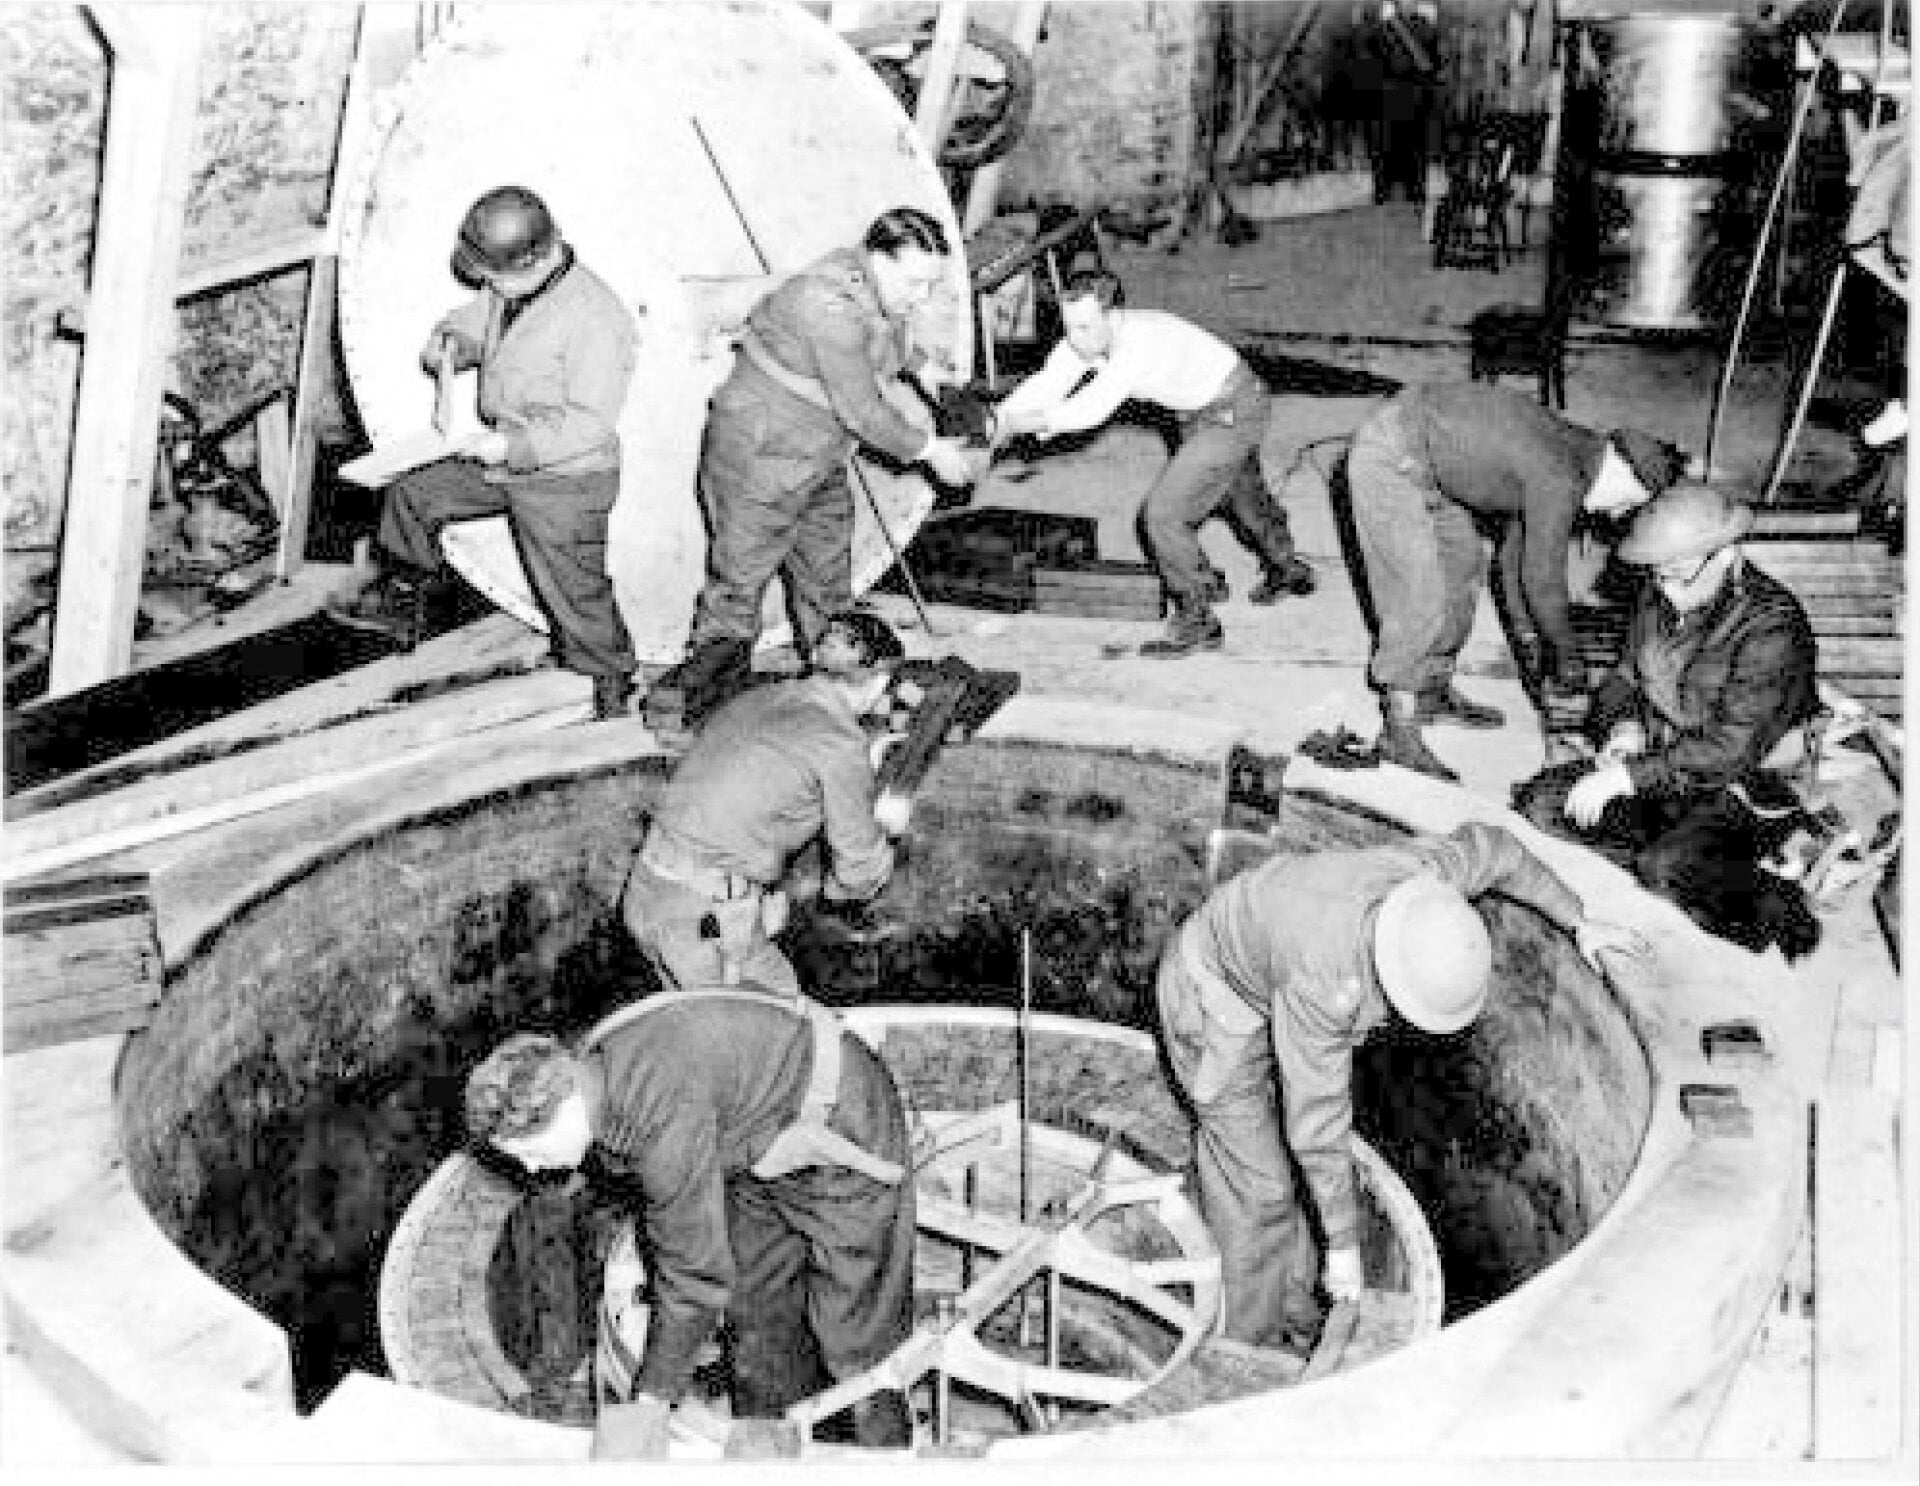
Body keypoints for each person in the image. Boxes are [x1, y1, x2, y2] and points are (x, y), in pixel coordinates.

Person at [1155, 819, 1644, 1356]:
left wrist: (1579, 921)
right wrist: (1342, 1247)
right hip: (1210, 1008)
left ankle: (1287, 1300)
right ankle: (1241, 1349)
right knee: (1260, 1191)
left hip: (1262, 969)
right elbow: (1316, 1127)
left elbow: (1497, 849)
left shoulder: (1427, 884)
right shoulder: (1327, 979)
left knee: (1275, 1171)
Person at [463, 990, 917, 1457]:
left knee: (856, 1330)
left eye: (531, 1153)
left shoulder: (660, 1125)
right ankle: (772, 1444)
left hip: (842, 1117)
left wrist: (650, 1401)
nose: (535, 1170)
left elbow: (695, 1280)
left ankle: (885, 1454)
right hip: (761, 1135)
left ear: (562, 1108)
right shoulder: (590, 1072)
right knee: (755, 1298)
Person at [329, 186, 640, 720]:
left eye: (495, 276)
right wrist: (450, 343)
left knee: (571, 589)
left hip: (564, 479)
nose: (489, 286)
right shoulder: (514, 286)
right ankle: (406, 598)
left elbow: (589, 425)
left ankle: (611, 678)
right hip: (501, 458)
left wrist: (511, 445)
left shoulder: (598, 319)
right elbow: (478, 319)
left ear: (542, 256)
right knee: (414, 495)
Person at [669, 207, 979, 692]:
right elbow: (863, 411)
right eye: (915, 283)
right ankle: (708, 695)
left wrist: (922, 367)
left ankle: (835, 686)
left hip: (818, 454)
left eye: (929, 286)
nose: (920, 298)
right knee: (739, 585)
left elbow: (881, 338)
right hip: (762, 456)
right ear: (881, 260)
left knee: (828, 579)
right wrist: (932, 451)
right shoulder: (826, 303)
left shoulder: (872, 289)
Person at [1512, 484, 1824, 959]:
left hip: (1738, 789)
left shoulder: (1773, 630)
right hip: (1662, 772)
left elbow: (1731, 749)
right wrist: (1623, 730)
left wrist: (1627, 777)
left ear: (1726, 555)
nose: (1666, 590)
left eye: (1678, 575)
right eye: (1658, 576)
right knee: (1541, 803)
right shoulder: (1658, 596)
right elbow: (1622, 679)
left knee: (1666, 868)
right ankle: (1679, 861)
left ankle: (1770, 897)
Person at [1341, 382, 1687, 780]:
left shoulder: (1580, 454)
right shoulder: (1561, 479)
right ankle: (1398, 731)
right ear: (1624, 474)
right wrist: (1566, 654)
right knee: (1418, 597)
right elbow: (1543, 581)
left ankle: (1431, 689)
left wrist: (1529, 638)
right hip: (1391, 455)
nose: (1616, 515)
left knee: (1463, 565)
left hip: (1433, 466)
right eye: (1630, 504)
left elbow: (1513, 562)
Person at [992, 269, 1317, 658]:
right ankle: (1286, 566)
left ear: (1113, 317)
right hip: (1197, 412)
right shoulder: (1087, 339)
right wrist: (999, 418)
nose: (1074, 339)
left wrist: (1020, 425)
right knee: (1240, 493)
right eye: (1069, 327)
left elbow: (1091, 408)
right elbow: (1048, 381)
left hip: (1235, 407)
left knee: (1164, 513)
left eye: (1083, 327)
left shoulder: (1137, 344)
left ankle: (1199, 618)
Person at [622, 609, 912, 999]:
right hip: (700, 918)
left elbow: (753, 789)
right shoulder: (840, 743)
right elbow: (854, 876)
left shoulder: (759, 699)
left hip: (646, 892)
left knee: (699, 1028)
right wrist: (889, 827)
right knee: (784, 1028)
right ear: (880, 682)